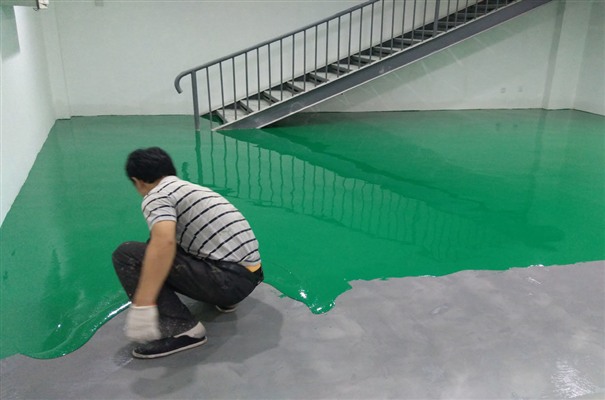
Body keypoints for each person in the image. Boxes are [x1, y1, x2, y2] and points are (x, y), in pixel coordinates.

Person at [112, 147, 263, 359]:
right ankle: (225, 301)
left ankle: (183, 329)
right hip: (249, 275)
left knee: (128, 254)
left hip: (228, 282)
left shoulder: (156, 196)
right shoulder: (191, 189)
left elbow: (164, 243)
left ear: (138, 182)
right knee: (154, 243)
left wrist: (143, 304)